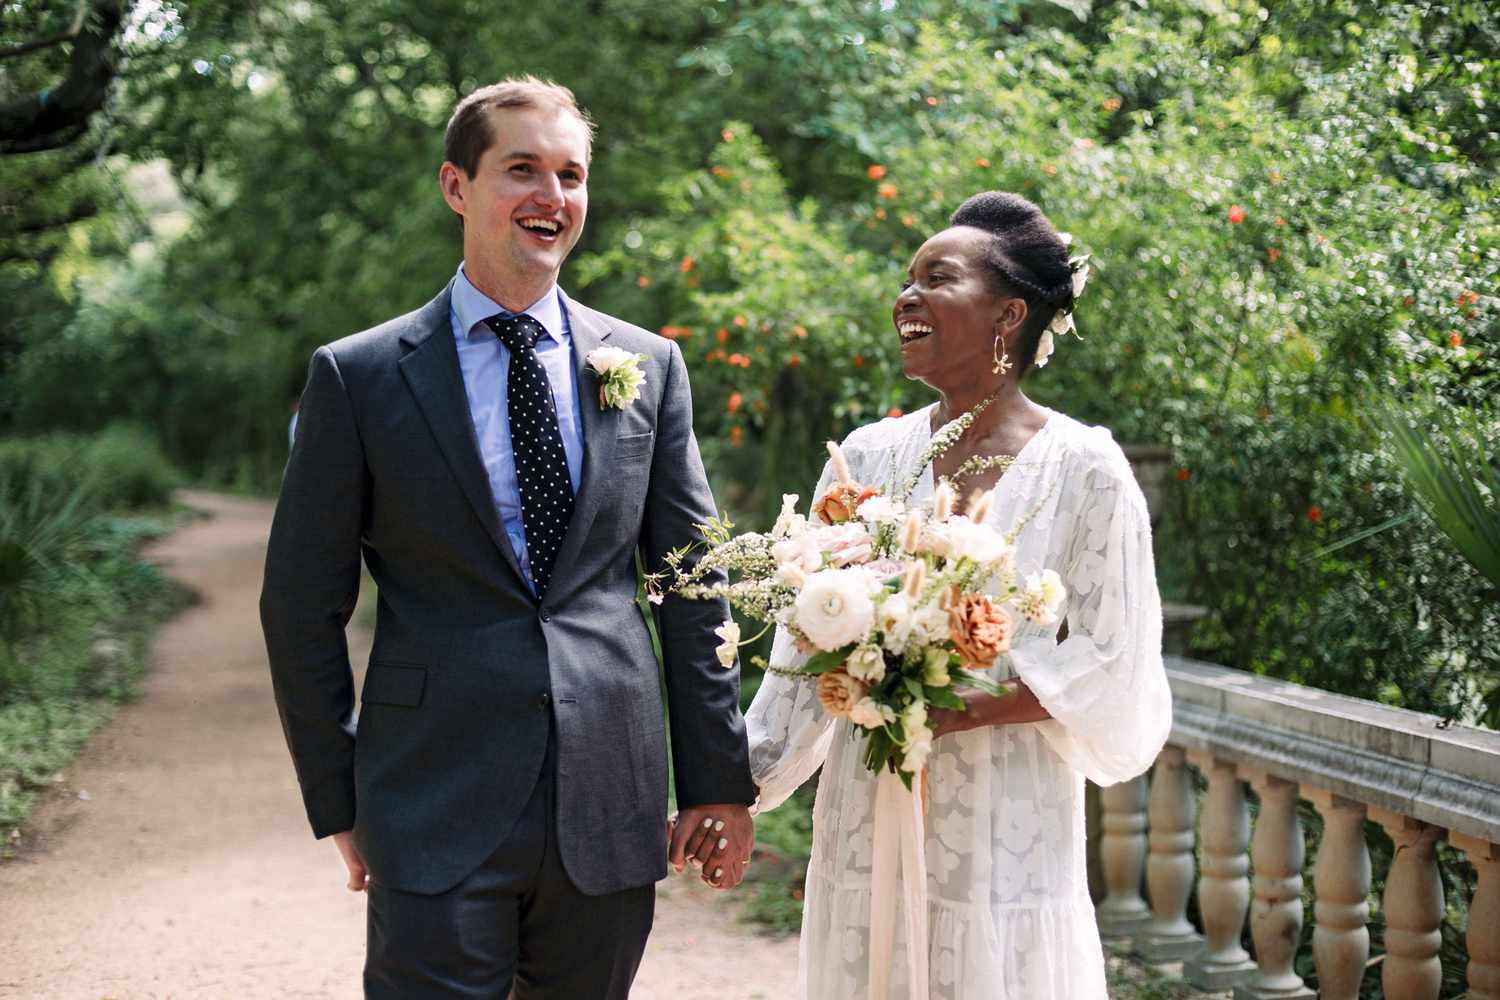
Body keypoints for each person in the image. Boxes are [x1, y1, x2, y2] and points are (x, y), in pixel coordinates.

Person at [259, 76, 756, 999]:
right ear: (458, 186)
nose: (551, 198)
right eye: (521, 169)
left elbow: (694, 583)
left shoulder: (648, 366)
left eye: (570, 176)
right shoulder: (358, 377)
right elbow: (299, 604)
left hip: (609, 791)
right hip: (430, 791)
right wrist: (339, 798)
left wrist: (718, 781)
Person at [745, 191, 1172, 999]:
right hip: (870, 807)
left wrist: (960, 701)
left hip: (1006, 814)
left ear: (1008, 314)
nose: (906, 297)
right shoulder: (866, 458)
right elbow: (800, 659)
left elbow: (1117, 664)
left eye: (935, 278)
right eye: (906, 280)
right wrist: (731, 790)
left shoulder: (1085, 468)